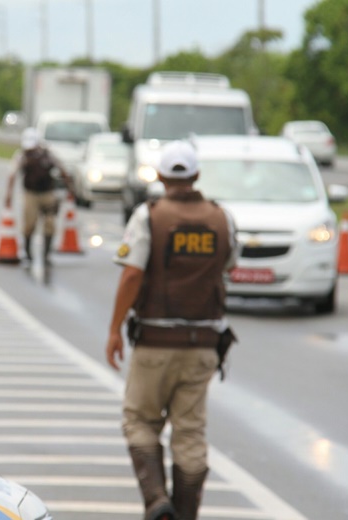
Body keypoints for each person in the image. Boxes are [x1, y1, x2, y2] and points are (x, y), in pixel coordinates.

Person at [105, 140, 239, 520]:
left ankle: (156, 501)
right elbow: (228, 264)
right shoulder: (222, 218)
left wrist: (115, 329)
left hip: (154, 344)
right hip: (204, 346)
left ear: (161, 176)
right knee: (191, 433)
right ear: (196, 175)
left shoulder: (148, 216)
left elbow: (132, 274)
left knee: (140, 420)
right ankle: (184, 513)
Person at [4, 127, 74, 265]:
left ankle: (46, 255)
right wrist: (9, 195)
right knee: (29, 224)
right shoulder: (22, 156)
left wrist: (69, 189)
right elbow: (13, 174)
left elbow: (62, 170)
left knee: (50, 224)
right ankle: (28, 253)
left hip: (48, 194)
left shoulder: (48, 154)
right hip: (30, 194)